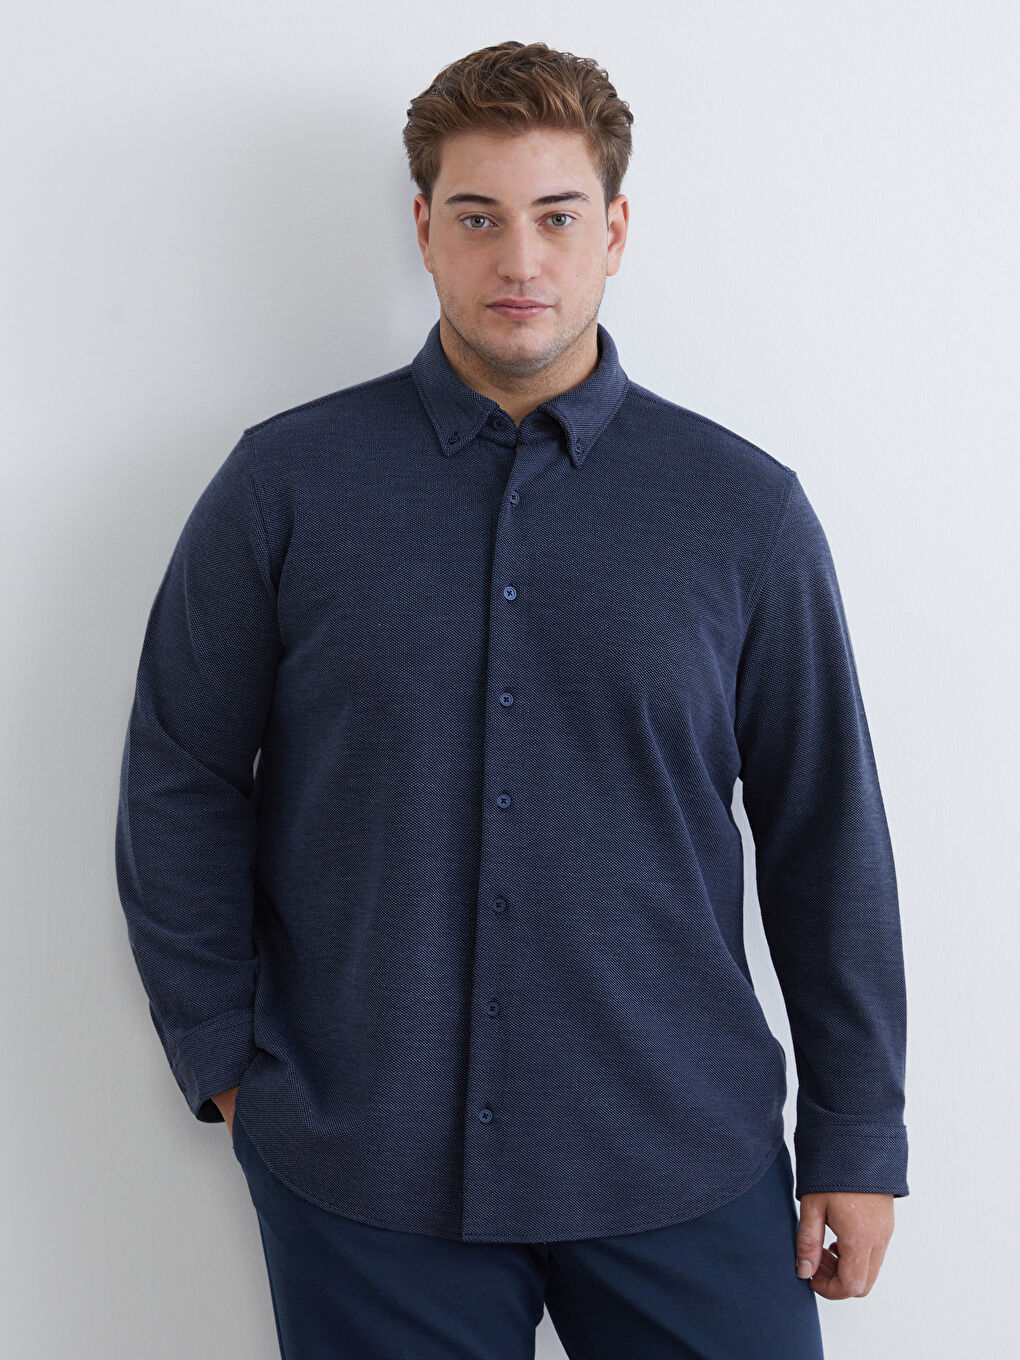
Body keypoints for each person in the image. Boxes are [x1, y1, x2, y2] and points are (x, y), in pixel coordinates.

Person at [115, 38, 908, 1359]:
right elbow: (179, 772)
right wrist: (226, 1061)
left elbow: (825, 830)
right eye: (479, 217)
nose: (520, 260)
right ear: (425, 230)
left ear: (616, 232)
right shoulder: (283, 488)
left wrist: (857, 1133)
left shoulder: (743, 512)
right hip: (366, 1176)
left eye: (558, 216)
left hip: (683, 1159)